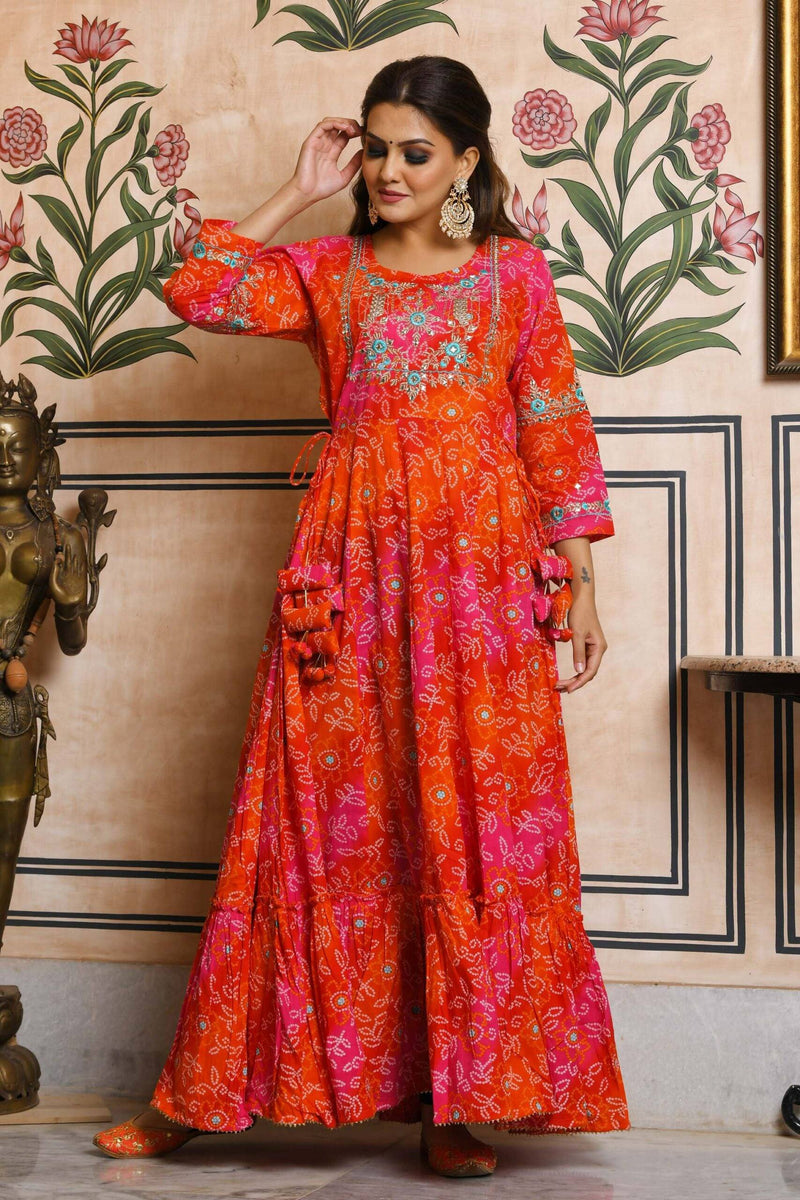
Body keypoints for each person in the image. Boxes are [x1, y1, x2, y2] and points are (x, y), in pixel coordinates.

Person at [93, 54, 629, 1177]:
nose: (388, 171)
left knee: (469, 823)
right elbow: (196, 289)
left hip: (481, 584)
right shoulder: (328, 272)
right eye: (376, 149)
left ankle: (452, 1105)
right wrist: (297, 189)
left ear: (466, 162)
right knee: (310, 815)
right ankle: (200, 1095)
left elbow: (552, 422)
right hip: (349, 574)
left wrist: (578, 582)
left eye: (414, 153)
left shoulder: (514, 277)